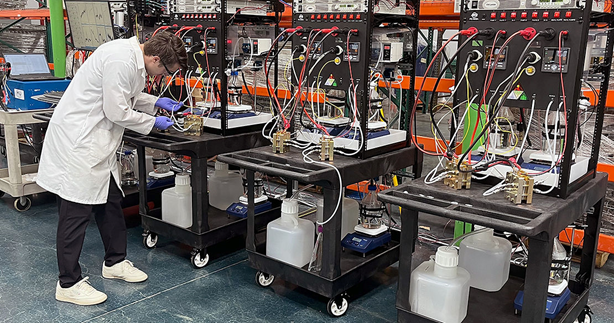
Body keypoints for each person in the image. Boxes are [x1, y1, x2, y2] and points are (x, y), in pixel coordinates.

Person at [36, 31, 187, 306]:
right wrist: (152, 122)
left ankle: (115, 263)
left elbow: (125, 94)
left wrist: (154, 102)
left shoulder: (133, 58)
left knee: (111, 202)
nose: (163, 77)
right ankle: (68, 283)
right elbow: (116, 111)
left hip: (97, 142)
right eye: (165, 71)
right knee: (75, 212)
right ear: (155, 58)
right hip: (79, 141)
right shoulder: (121, 60)